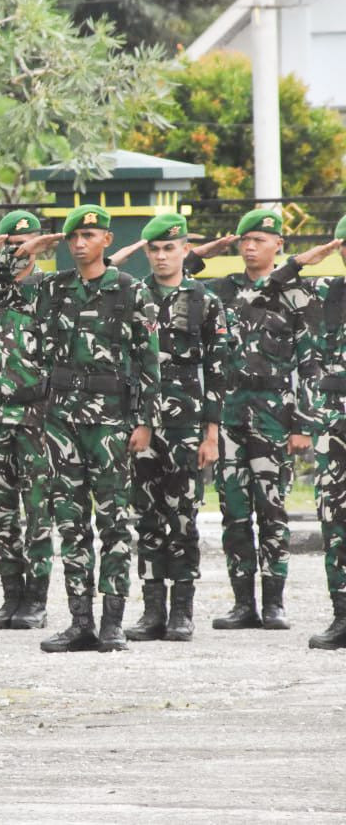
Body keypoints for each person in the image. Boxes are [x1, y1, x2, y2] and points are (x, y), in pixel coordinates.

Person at [32, 204, 160, 653]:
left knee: (113, 522)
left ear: (107, 240)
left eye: (89, 235)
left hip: (110, 422)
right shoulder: (53, 288)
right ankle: (80, 622)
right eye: (73, 237)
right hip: (62, 421)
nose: (80, 243)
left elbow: (148, 363)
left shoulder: (129, 291)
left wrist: (144, 421)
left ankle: (112, 623)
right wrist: (28, 249)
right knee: (69, 522)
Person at [184, 210, 319, 630]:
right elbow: (173, 285)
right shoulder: (220, 291)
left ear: (279, 244)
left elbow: (308, 361)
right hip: (227, 415)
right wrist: (197, 255)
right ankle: (243, 603)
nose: (249, 246)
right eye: (244, 239)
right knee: (234, 511)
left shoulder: (296, 294)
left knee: (273, 508)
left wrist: (301, 424)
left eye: (259, 239)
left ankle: (275, 602)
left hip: (273, 416)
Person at [113, 214, 231, 642]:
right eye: (154, 249)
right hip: (141, 425)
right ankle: (151, 611)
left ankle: (182, 610)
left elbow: (218, 373)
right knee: (145, 515)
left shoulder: (205, 301)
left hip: (186, 426)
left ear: (185, 249)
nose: (162, 256)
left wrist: (212, 435)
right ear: (147, 252)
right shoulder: (131, 297)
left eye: (169, 248)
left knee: (182, 517)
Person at [0, 212, 65, 629]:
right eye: (10, 244)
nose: (18, 252)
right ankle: (12, 596)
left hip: (38, 416)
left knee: (38, 511)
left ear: (40, 245)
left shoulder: (51, 290)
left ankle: (36, 600)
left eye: (26, 244)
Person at [255, 219, 346, 648]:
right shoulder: (324, 292)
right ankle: (343, 616)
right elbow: (262, 293)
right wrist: (301, 262)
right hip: (334, 425)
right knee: (336, 521)